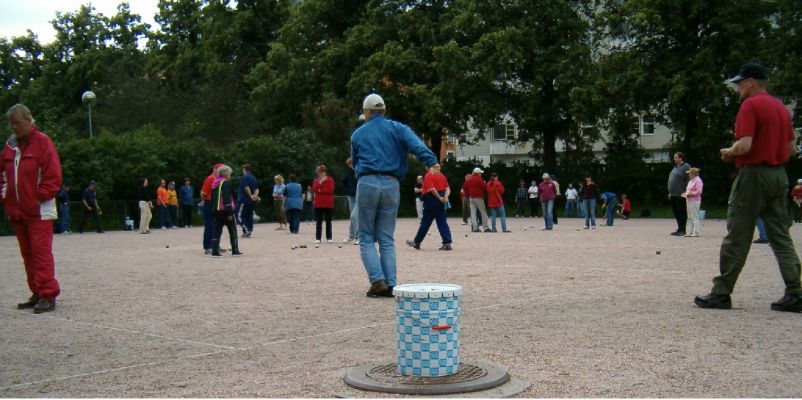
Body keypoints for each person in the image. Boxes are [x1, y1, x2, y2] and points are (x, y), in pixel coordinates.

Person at [694, 62, 802, 312]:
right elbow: (791, 149)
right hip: (779, 174)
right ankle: (795, 292)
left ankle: (721, 292)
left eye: (740, 83)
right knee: (780, 236)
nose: (737, 88)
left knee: (738, 235)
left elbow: (745, 145)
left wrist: (728, 152)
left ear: (751, 82)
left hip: (754, 175)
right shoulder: (782, 108)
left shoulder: (750, 105)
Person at [351, 93, 438, 298]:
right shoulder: (398, 128)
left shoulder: (358, 134)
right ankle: (391, 283)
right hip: (392, 183)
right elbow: (417, 146)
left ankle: (377, 281)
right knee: (386, 238)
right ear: (384, 110)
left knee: (365, 236)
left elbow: (356, 163)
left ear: (367, 112)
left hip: (367, 182)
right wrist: (430, 161)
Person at [2, 104, 61, 313]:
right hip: (17, 211)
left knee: (40, 253)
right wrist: (6, 198)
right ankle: (36, 290)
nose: (15, 128)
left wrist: (38, 198)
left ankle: (47, 293)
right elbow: (3, 176)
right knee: (27, 253)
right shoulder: (10, 147)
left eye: (18, 123)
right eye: (12, 124)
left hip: (39, 211)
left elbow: (53, 176)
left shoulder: (43, 142)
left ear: (29, 121)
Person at [406, 163, 453, 250]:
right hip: (441, 199)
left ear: (429, 167)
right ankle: (447, 243)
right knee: (442, 221)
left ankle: (416, 242)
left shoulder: (428, 175)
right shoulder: (442, 175)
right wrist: (446, 196)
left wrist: (439, 198)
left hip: (431, 200)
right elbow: (447, 188)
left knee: (426, 222)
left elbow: (432, 189)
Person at [210, 165, 243, 257]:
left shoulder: (214, 183)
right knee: (232, 230)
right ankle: (235, 250)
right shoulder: (226, 183)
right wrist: (230, 212)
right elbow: (227, 199)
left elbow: (213, 198)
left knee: (216, 231)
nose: (230, 176)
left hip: (216, 210)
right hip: (225, 210)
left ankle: (215, 251)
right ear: (226, 173)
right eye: (230, 174)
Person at [201, 163, 223, 255]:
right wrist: (204, 202)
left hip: (215, 203)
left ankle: (215, 245)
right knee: (209, 225)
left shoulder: (218, 179)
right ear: (216, 170)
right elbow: (203, 193)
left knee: (216, 225)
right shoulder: (211, 178)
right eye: (221, 170)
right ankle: (208, 246)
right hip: (209, 203)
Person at [668, 152, 691, 236]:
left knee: (681, 211)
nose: (674, 159)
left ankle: (683, 229)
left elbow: (689, 179)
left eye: (676, 157)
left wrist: (687, 191)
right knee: (676, 211)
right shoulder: (675, 168)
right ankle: (679, 228)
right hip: (673, 194)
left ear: (680, 158)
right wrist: (670, 192)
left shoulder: (686, 166)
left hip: (681, 194)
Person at [464, 167, 492, 232]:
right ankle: (485, 227)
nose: (481, 174)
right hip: (479, 197)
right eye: (480, 173)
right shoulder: (479, 179)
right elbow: (484, 187)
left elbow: (464, 187)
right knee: (483, 212)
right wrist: (484, 183)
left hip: (471, 198)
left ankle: (475, 228)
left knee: (473, 213)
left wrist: (468, 194)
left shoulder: (469, 179)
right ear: (478, 173)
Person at [312, 164, 335, 243]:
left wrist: (320, 191)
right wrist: (320, 182)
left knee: (328, 221)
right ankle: (318, 238)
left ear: (325, 172)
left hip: (328, 204)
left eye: (323, 172)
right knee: (318, 222)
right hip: (318, 204)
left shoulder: (330, 180)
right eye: (320, 172)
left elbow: (330, 190)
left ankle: (329, 237)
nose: (321, 174)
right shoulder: (316, 181)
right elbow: (314, 189)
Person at [237, 165, 260, 237]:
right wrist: (255, 196)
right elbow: (257, 189)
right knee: (249, 215)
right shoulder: (253, 177)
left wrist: (250, 195)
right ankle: (249, 230)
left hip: (244, 199)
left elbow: (246, 188)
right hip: (251, 201)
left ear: (244, 169)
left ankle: (246, 230)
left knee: (239, 215)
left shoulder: (245, 177)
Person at [682, 168, 704, 237]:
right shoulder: (691, 181)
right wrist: (685, 193)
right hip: (688, 200)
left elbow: (699, 191)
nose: (689, 175)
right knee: (689, 217)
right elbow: (688, 190)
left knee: (694, 216)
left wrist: (691, 193)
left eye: (690, 173)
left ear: (694, 173)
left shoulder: (698, 181)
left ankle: (696, 232)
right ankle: (689, 232)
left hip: (695, 201)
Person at [342, 158, 359, 243]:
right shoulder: (348, 172)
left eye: (351, 164)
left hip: (359, 196)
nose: (350, 166)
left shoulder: (359, 171)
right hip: (351, 196)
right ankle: (351, 236)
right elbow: (344, 181)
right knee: (352, 217)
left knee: (354, 216)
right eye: (349, 164)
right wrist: (348, 189)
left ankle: (359, 237)